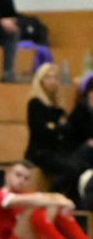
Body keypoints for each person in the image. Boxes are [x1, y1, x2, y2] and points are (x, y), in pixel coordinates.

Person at [0, 161, 91, 239]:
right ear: (7, 175)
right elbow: (24, 200)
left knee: (53, 205)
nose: (22, 180)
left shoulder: (28, 194)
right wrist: (59, 199)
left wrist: (60, 200)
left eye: (26, 178)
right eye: (18, 175)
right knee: (37, 205)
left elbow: (49, 199)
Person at [25, 63, 84, 199]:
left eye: (55, 77)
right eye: (48, 77)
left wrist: (55, 127)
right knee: (70, 169)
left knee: (81, 166)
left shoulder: (57, 107)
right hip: (39, 152)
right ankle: (49, 199)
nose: (53, 81)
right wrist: (58, 127)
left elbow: (67, 129)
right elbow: (42, 131)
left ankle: (72, 203)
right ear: (40, 80)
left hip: (55, 151)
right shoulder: (35, 103)